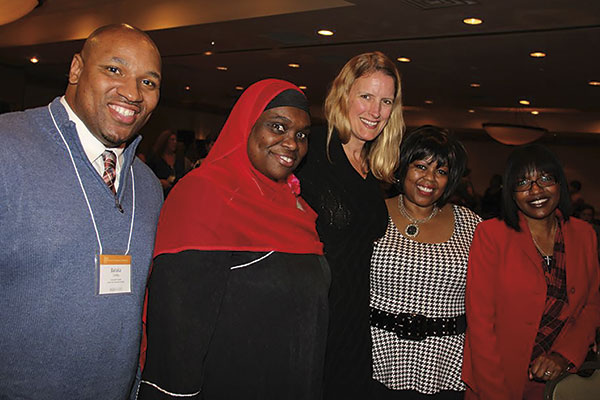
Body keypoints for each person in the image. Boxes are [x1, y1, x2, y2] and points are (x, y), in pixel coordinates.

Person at [0, 24, 163, 399]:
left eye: (149, 82)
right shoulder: (7, 149)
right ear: (76, 70)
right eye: (114, 69)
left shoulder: (149, 186)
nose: (132, 93)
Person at [138, 79, 329, 400]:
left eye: (301, 135)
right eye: (277, 127)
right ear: (246, 126)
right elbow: (176, 329)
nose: (292, 143)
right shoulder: (205, 194)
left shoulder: (297, 207)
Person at [297, 51, 405, 399]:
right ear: (344, 95)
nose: (375, 112)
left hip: (356, 321)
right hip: (309, 320)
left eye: (385, 101)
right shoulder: (309, 149)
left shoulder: (373, 168)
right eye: (366, 97)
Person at [462, 144, 600, 400]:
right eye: (523, 182)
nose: (535, 190)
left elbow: (591, 305)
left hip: (559, 379)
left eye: (545, 179)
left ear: (560, 183)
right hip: (496, 378)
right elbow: (480, 322)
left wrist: (564, 355)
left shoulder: (584, 234)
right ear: (511, 192)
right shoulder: (492, 234)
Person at [370, 126, 481, 399]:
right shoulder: (371, 212)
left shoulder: (471, 224)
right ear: (402, 167)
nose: (429, 178)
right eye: (420, 166)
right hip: (376, 357)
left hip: (446, 362)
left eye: (441, 171)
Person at [148, 129, 190, 196]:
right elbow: (148, 177)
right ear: (165, 141)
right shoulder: (155, 159)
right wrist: (159, 182)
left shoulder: (180, 159)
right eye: (172, 140)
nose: (175, 142)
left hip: (177, 193)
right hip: (161, 194)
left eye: (175, 140)